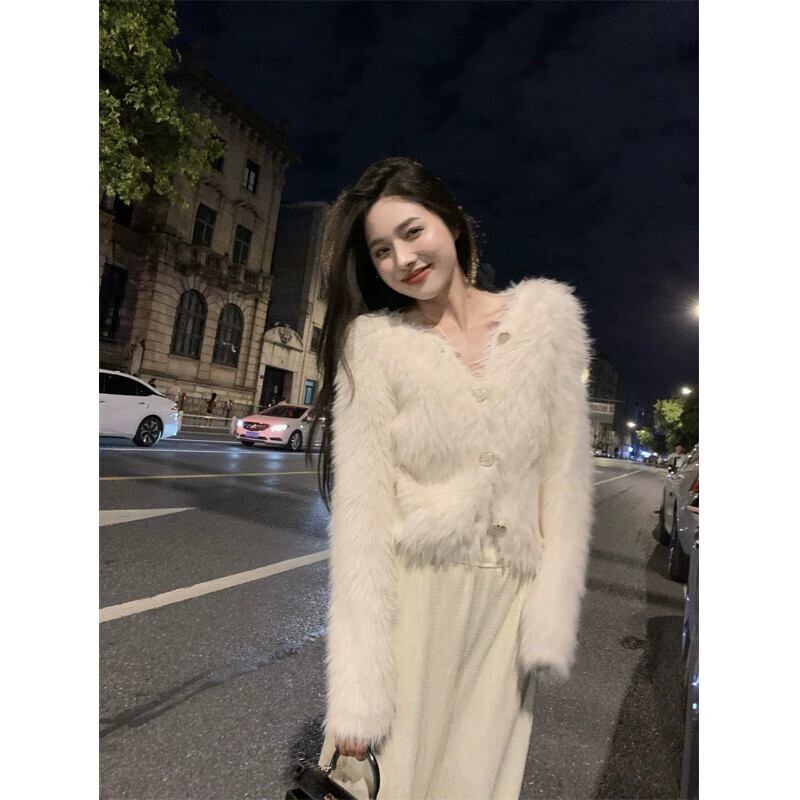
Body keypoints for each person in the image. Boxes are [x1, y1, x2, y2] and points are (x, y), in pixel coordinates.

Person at [308, 157, 594, 799]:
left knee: (475, 782)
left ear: (453, 224)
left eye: (413, 232)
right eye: (382, 250)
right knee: (393, 781)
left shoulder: (545, 325)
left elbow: (565, 482)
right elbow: (363, 517)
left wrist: (550, 613)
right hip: (415, 599)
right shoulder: (373, 345)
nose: (402, 258)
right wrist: (357, 687)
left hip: (508, 606)